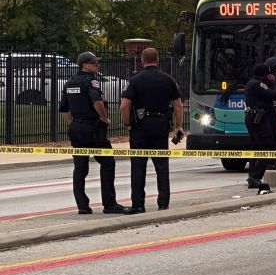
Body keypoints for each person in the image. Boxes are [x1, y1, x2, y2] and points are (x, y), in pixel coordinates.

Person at [58, 52, 127, 215]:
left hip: (76, 130)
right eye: (94, 63)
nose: (97, 66)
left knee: (80, 167)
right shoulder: (91, 82)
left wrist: (72, 123)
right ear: (85, 65)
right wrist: (105, 118)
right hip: (93, 129)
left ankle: (82, 206)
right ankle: (109, 204)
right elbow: (97, 102)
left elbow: (64, 109)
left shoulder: (69, 83)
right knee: (108, 163)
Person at [118, 48, 184, 214]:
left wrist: (128, 124)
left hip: (140, 127)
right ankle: (163, 202)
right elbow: (178, 105)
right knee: (161, 166)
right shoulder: (168, 79)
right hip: (161, 125)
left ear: (142, 60)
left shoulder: (135, 80)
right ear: (158, 60)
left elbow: (124, 105)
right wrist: (178, 126)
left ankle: (138, 204)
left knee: (138, 166)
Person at [244, 64, 276, 192]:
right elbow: (275, 95)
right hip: (259, 119)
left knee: (255, 147)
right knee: (266, 146)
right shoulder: (259, 84)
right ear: (264, 75)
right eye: (268, 75)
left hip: (252, 117)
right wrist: (274, 83)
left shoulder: (250, 83)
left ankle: (252, 177)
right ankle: (256, 176)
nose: (269, 77)